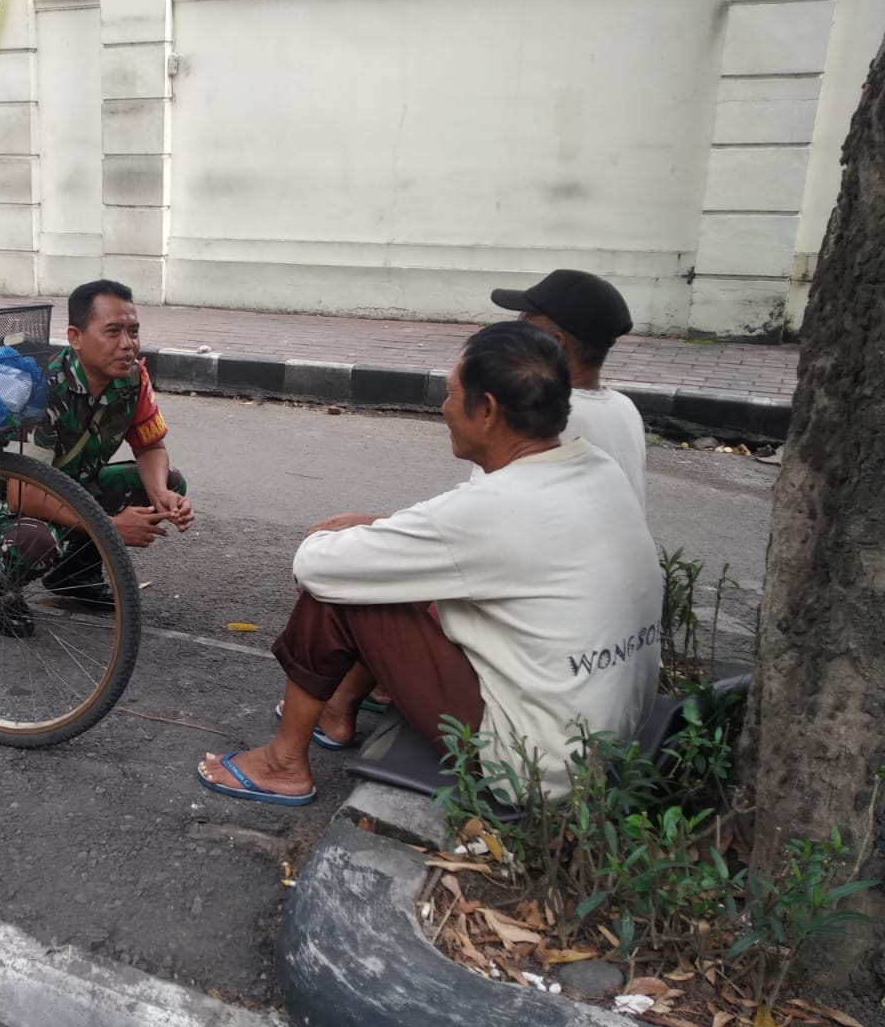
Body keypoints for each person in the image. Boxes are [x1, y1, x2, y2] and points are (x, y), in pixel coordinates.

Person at [197, 322, 660, 806]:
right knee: (390, 573)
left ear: (487, 410)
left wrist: (355, 537)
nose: (443, 408)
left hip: (532, 767)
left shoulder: (494, 511)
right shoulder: (594, 470)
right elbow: (472, 528)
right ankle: (336, 710)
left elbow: (317, 566)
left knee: (336, 590)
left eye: (452, 394)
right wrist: (384, 527)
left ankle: (283, 764)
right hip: (610, 738)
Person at [0, 279, 193, 609]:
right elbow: (22, 493)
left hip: (70, 488)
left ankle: (74, 577)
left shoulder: (132, 378)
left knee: (170, 481)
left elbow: (150, 447)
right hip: (8, 501)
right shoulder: (44, 388)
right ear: (76, 337)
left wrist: (161, 494)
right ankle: (0, 589)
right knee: (34, 539)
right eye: (113, 332)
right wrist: (110, 527)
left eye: (133, 331)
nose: (128, 344)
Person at [490, 270, 647, 511]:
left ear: (554, 343)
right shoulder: (624, 407)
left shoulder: (534, 414)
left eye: (524, 324)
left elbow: (488, 511)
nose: (515, 335)